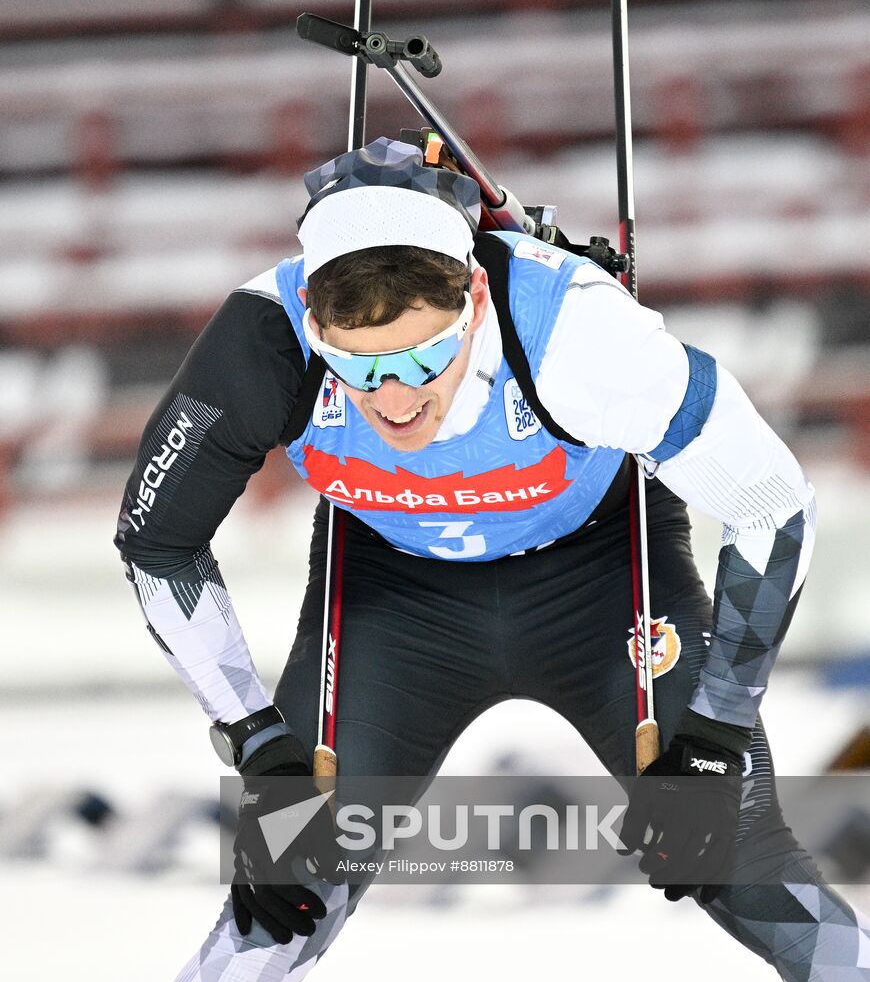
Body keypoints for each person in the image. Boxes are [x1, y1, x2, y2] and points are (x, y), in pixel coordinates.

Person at [115, 137, 870, 982]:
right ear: (314, 322)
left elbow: (772, 501)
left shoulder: (575, 328)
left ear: (472, 296)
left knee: (737, 858)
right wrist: (255, 739)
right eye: (357, 368)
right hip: (394, 597)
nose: (394, 401)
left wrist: (717, 730)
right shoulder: (261, 341)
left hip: (596, 577)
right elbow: (156, 541)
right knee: (288, 885)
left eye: (423, 358)